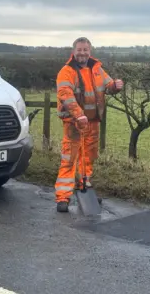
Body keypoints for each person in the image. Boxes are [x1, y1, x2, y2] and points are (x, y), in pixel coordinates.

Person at [54, 37, 123, 212]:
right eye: (79, 50)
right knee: (70, 158)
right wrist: (78, 115)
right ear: (73, 51)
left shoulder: (97, 69)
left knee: (88, 158)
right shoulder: (66, 71)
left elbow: (108, 86)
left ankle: (85, 186)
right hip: (74, 123)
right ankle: (63, 197)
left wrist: (115, 86)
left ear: (90, 51)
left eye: (85, 50)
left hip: (92, 122)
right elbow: (65, 94)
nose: (83, 53)